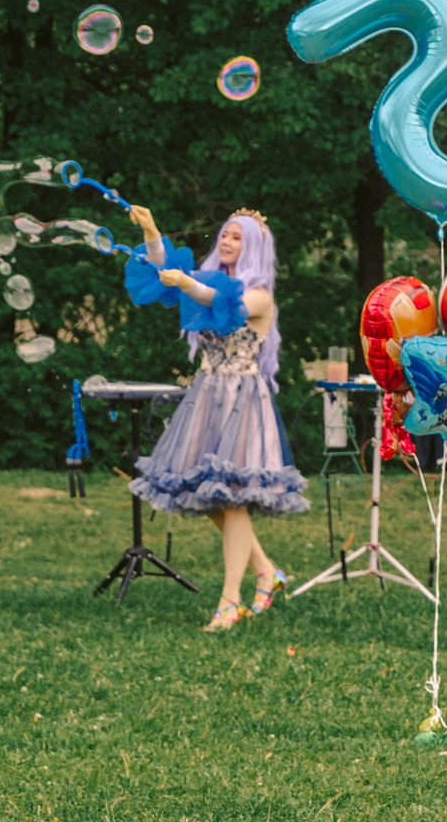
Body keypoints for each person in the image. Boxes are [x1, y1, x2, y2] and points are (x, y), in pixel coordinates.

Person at [122, 206, 309, 632]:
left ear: (255, 248)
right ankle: (266, 571)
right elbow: (165, 273)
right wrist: (152, 230)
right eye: (225, 234)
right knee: (199, 491)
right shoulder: (206, 281)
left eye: (238, 237)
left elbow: (224, 305)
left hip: (243, 401)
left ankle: (230, 601)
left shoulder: (259, 295)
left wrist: (186, 282)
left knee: (233, 498)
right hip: (207, 396)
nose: (226, 241)